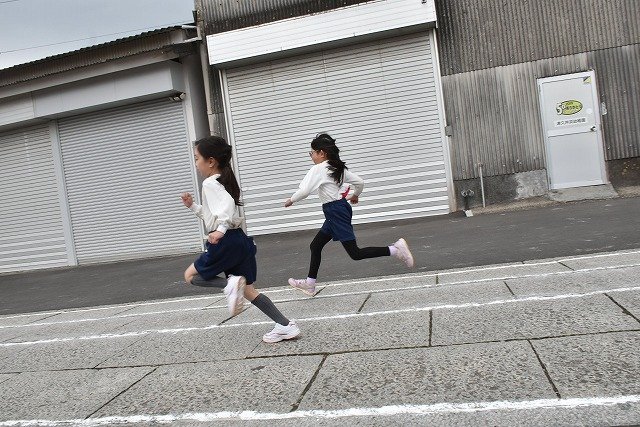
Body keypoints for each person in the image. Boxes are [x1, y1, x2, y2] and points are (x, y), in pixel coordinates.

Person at [181, 135, 300, 343]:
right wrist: (193, 206)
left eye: (197, 158)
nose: (196, 163)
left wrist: (221, 229)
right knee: (248, 290)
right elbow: (214, 214)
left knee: (190, 276)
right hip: (239, 240)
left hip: (225, 242)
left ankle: (229, 284)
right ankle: (284, 325)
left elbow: (226, 207)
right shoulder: (224, 180)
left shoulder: (209, 183)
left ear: (211, 161)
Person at [284, 133, 414, 296]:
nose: (311, 156)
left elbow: (304, 191)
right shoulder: (336, 167)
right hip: (338, 209)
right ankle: (310, 284)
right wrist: (355, 195)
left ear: (322, 153)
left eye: (312, 153)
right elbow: (360, 182)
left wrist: (291, 200)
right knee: (315, 245)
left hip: (335, 212)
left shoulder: (319, 168)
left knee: (355, 253)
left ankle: (395, 250)